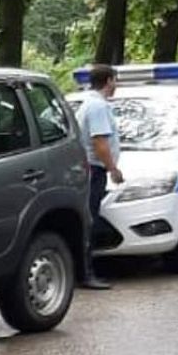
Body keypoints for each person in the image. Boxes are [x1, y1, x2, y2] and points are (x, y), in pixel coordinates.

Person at [76, 64, 124, 290]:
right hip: (94, 170)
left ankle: (84, 270)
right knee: (89, 219)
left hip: (91, 169)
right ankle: (86, 273)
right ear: (108, 81)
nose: (116, 85)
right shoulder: (97, 107)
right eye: (115, 80)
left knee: (89, 217)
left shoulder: (90, 103)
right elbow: (100, 142)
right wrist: (113, 168)